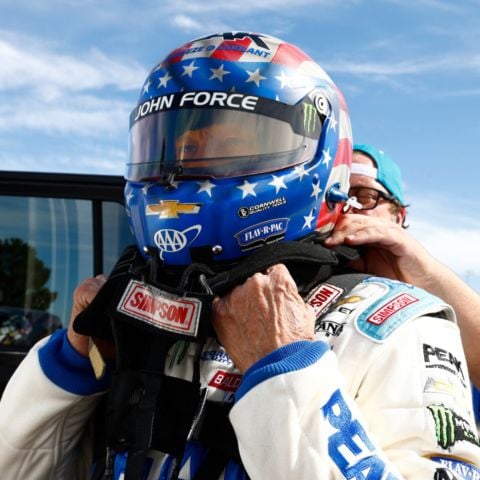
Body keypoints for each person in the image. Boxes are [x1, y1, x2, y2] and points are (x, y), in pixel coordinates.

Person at [1, 31, 479, 480]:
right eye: (172, 147)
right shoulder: (137, 311)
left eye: (229, 148)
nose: (183, 173)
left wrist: (283, 369)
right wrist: (69, 362)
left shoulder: (387, 320)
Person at [325, 144, 480, 390]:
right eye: (336, 193)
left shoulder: (431, 311)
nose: (347, 206)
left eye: (364, 196)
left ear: (399, 216)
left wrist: (425, 271)